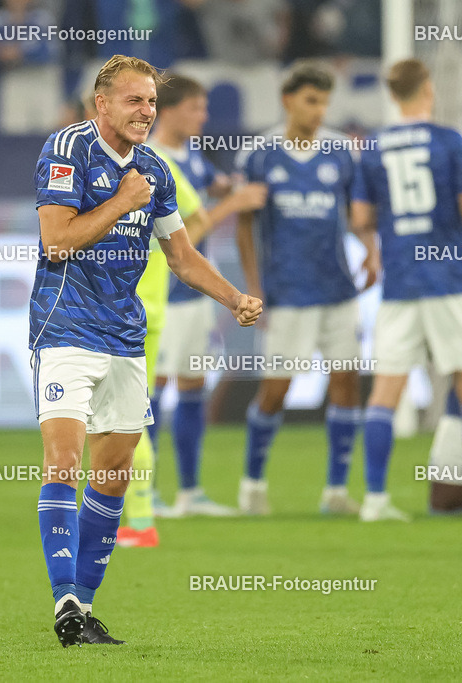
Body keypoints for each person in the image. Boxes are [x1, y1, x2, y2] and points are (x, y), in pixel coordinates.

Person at [31, 54, 261, 647]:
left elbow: (181, 257)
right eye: (135, 100)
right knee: (65, 460)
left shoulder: (155, 170)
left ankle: (82, 606)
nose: (146, 112)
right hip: (66, 327)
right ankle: (64, 604)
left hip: (125, 335)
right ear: (102, 104)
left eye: (152, 102)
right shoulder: (67, 150)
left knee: (112, 475)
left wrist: (233, 297)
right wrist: (121, 202)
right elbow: (56, 242)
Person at [351, 58, 462, 523]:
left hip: (400, 281)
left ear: (393, 94)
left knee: (386, 393)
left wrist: (380, 243)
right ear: (428, 90)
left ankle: (375, 501)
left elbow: (360, 218)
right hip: (449, 280)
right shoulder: (450, 139)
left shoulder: (374, 146)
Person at [235, 62, 364, 516]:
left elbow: (359, 211)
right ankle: (252, 483)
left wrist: (370, 246)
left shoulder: (342, 151)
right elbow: (244, 227)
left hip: (338, 288)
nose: (319, 110)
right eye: (312, 100)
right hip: (287, 291)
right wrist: (254, 287)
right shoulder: (259, 154)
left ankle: (336, 491)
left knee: (346, 381)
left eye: (325, 102)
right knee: (277, 390)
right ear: (289, 100)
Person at [149, 74, 267, 517]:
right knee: (153, 392)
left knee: (192, 385)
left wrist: (234, 187)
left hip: (195, 296)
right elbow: (185, 232)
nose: (203, 116)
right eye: (196, 108)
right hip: (163, 296)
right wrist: (230, 206)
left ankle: (190, 491)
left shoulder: (191, 158)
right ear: (171, 110)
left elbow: (216, 183)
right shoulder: (153, 159)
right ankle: (148, 492)